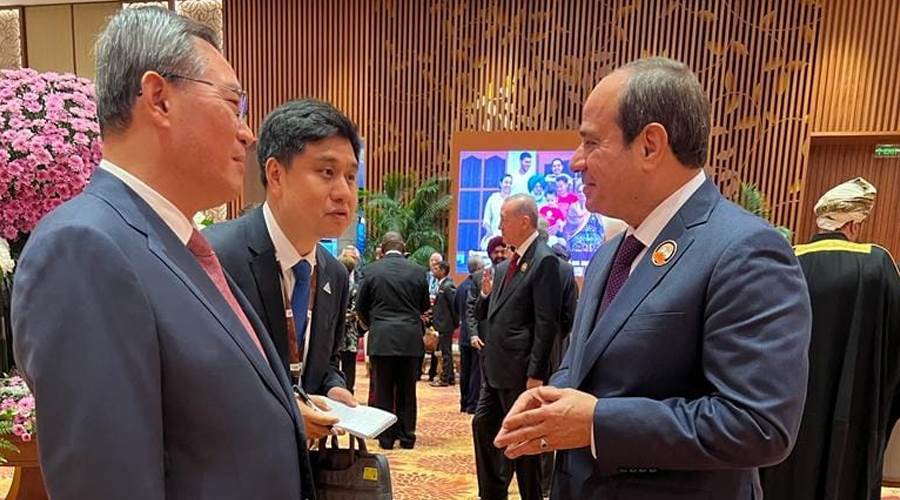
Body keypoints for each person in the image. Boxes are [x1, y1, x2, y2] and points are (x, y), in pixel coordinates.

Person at [11, 7, 315, 499]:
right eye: (233, 104)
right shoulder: (84, 248)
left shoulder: (173, 244)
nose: (247, 133)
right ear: (159, 98)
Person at [493, 57, 812, 500]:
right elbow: (591, 365)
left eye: (591, 142)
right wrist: (555, 395)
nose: (576, 161)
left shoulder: (746, 251)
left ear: (650, 145)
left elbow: (758, 425)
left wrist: (598, 424)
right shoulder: (610, 254)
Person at [205, 99, 359, 440]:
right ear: (276, 175)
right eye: (327, 172)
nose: (344, 192)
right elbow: (199, 379)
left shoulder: (333, 274)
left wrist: (333, 388)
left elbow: (325, 363)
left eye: (350, 176)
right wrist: (281, 413)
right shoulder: (216, 257)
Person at [761, 177, 900, 500]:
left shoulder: (786, 259)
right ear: (853, 224)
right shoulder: (877, 264)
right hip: (851, 414)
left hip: (786, 413)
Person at [473, 194, 562, 500]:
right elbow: (488, 313)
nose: (499, 226)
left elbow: (546, 323)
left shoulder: (544, 260)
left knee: (525, 447)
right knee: (483, 426)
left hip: (520, 372)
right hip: (495, 370)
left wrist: (536, 374)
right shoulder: (507, 264)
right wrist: (485, 296)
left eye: (503, 219)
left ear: (524, 221)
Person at [357, 232, 430, 450]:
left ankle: (386, 438)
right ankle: (407, 437)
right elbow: (424, 306)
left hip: (382, 337)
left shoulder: (371, 270)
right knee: (408, 390)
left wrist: (374, 324)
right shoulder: (418, 271)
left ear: (382, 249)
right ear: (403, 248)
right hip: (410, 338)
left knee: (383, 389)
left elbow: (361, 306)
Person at [457, 255, 484, 413]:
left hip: (464, 334)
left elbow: (456, 309)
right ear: (480, 269)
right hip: (477, 334)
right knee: (475, 370)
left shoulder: (460, 286)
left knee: (465, 370)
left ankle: (464, 402)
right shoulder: (480, 286)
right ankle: (472, 404)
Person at [430, 260, 458, 387]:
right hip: (442, 324)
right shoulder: (441, 285)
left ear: (442, 271)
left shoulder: (448, 286)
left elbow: (454, 306)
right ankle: (450, 377)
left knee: (445, 352)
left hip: (446, 324)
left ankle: (444, 378)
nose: (433, 271)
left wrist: (455, 322)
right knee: (445, 351)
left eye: (436, 269)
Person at [337, 254, 362, 394]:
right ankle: (347, 391)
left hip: (342, 332)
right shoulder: (355, 288)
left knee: (337, 363)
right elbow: (355, 312)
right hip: (349, 332)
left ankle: (342, 390)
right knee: (349, 365)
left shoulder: (336, 285)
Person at [482, 174, 513, 248]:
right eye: (506, 182)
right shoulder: (493, 198)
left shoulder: (514, 200)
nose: (508, 185)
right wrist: (489, 232)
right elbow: (486, 219)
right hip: (494, 235)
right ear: (501, 184)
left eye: (510, 183)